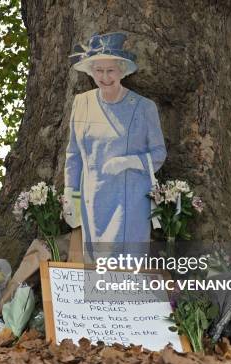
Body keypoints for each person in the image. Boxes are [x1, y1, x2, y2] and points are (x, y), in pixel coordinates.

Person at [64, 32, 167, 260]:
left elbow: (159, 153)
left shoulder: (143, 107)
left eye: (110, 70)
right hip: (93, 200)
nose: (104, 76)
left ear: (122, 71)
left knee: (125, 267)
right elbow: (74, 154)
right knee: (96, 266)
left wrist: (130, 161)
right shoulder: (82, 103)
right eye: (98, 70)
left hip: (130, 200)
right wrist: (70, 193)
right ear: (91, 71)